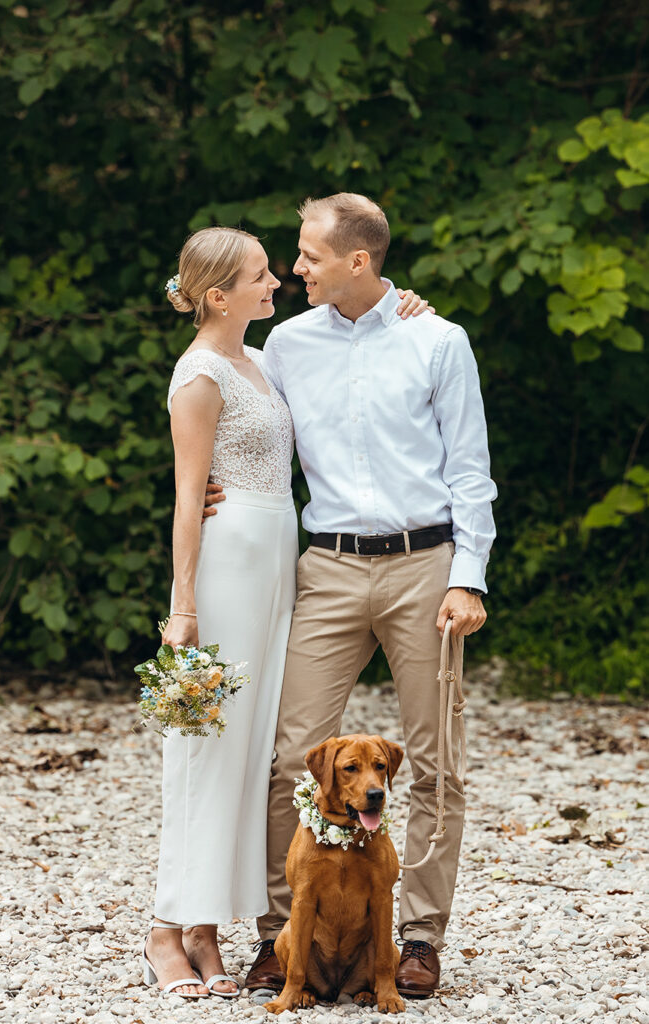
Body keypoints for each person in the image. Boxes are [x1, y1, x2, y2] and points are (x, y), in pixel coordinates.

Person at [142, 224, 429, 999]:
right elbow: (184, 494)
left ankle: (210, 927)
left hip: (279, 560)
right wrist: (183, 607)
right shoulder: (199, 375)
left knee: (255, 749)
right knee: (205, 746)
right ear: (217, 295)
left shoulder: (264, 360)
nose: (278, 281)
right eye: (261, 274)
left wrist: (400, 306)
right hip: (229, 561)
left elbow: (352, 349)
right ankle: (167, 930)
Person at [227, 193, 498, 1000]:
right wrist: (216, 490)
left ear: (358, 260)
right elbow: (246, 419)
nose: (293, 267)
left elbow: (469, 468)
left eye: (307, 255)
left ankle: (417, 936)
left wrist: (468, 575)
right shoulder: (285, 343)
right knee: (291, 759)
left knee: (437, 761)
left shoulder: (437, 339)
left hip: (425, 564)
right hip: (330, 566)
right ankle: (285, 934)